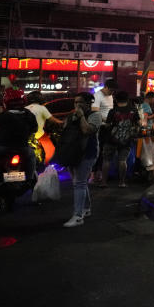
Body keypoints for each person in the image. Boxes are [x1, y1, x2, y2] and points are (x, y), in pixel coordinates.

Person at [63, 92, 103, 227]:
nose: (77, 105)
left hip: (88, 153)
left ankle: (78, 216)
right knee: (79, 182)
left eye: (80, 102)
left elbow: (87, 130)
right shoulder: (71, 116)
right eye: (75, 102)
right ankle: (86, 209)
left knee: (79, 183)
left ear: (88, 103)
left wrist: (80, 117)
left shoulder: (95, 116)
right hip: (72, 152)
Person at [104, 91, 139, 187]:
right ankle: (122, 182)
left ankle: (103, 182)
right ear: (127, 99)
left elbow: (107, 125)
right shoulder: (134, 110)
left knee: (106, 160)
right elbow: (137, 124)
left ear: (115, 100)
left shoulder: (112, 111)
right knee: (122, 160)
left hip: (112, 139)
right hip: (126, 139)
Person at [91, 78, 117, 185]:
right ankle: (93, 174)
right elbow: (95, 112)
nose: (112, 92)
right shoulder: (97, 95)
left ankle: (101, 172)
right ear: (105, 87)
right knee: (97, 151)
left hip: (109, 127)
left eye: (113, 91)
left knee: (105, 152)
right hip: (100, 128)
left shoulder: (110, 95)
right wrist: (107, 120)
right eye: (111, 90)